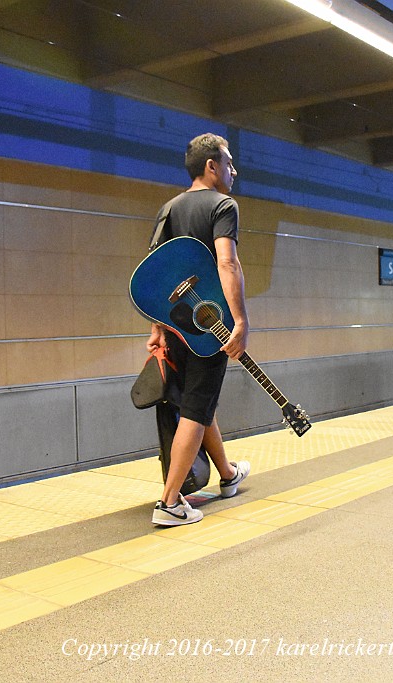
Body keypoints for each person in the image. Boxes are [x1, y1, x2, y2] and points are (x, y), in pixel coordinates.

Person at [147, 133, 251, 526]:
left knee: (198, 400)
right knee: (195, 407)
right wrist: (239, 321)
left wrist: (158, 327)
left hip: (175, 325)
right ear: (212, 166)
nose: (233, 170)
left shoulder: (169, 208)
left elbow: (156, 272)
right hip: (208, 326)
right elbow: (228, 264)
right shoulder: (224, 205)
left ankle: (227, 474)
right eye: (229, 163)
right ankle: (170, 502)